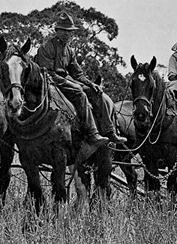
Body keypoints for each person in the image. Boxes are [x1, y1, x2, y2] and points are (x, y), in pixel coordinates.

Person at [34, 12, 126, 148]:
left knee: (97, 93)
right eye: (64, 31)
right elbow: (47, 72)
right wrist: (70, 83)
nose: (67, 34)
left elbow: (77, 73)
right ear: (57, 31)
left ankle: (109, 131)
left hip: (64, 80)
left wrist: (91, 84)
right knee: (79, 93)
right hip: (50, 81)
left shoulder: (69, 51)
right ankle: (91, 133)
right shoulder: (47, 47)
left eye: (69, 32)